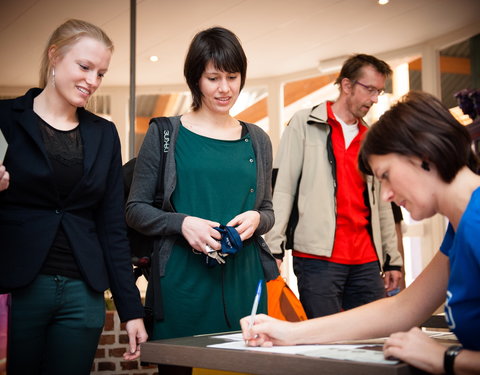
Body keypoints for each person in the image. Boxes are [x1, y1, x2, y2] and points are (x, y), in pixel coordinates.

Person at [241, 91, 480, 374]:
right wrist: (290, 332)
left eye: (386, 175)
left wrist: (446, 359)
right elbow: (402, 309)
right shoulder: (461, 225)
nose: (387, 195)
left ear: (423, 154)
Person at [125, 26, 278, 373]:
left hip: (244, 280)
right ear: (196, 79)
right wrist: (182, 223)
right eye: (213, 78)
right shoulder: (165, 133)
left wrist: (258, 220)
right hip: (182, 283)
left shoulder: (257, 140)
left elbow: (267, 210)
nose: (225, 88)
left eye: (233, 77)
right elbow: (135, 210)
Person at [0, 19, 147, 374]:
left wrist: (131, 310)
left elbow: (112, 226)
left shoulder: (104, 134)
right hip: (19, 288)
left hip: (84, 291)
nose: (92, 81)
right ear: (54, 57)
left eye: (101, 73)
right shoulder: (4, 118)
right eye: (84, 67)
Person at [266, 54, 403, 318]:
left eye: (379, 91)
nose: (375, 99)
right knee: (324, 343)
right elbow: (282, 188)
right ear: (347, 85)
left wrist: (392, 259)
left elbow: (381, 202)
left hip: (366, 260)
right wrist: (274, 246)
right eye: (370, 89)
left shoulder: (372, 137)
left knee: (373, 341)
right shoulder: (304, 124)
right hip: (317, 260)